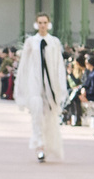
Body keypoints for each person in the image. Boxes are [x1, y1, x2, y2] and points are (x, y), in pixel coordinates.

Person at [10, 15, 68, 163]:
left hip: (51, 84)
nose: (42, 25)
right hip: (34, 83)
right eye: (40, 23)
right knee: (36, 115)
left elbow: (59, 65)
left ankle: (48, 145)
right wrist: (21, 85)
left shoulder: (54, 42)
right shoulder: (31, 42)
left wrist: (61, 86)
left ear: (49, 24)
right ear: (36, 24)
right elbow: (24, 64)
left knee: (49, 116)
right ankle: (39, 146)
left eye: (45, 23)